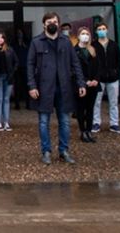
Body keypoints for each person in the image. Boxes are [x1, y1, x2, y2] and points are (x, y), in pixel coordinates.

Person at [27, 12, 86, 165]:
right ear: (44, 24)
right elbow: (29, 65)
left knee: (65, 122)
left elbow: (75, 64)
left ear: (59, 24)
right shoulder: (36, 42)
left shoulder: (66, 41)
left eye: (55, 21)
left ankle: (63, 150)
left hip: (64, 87)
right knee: (43, 122)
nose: (52, 23)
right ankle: (46, 151)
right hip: (44, 87)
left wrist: (81, 83)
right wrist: (32, 86)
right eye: (49, 21)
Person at [91, 21, 120, 134]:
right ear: (96, 31)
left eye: (103, 28)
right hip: (98, 79)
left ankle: (114, 123)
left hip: (113, 78)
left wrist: (116, 73)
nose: (102, 31)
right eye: (99, 29)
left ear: (107, 30)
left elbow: (119, 61)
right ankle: (96, 123)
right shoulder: (93, 45)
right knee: (96, 101)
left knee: (114, 102)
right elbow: (91, 61)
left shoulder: (114, 45)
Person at [74, 27, 100, 143]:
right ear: (78, 36)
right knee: (81, 109)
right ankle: (83, 131)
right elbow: (73, 69)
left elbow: (99, 67)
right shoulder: (74, 51)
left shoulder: (93, 50)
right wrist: (84, 81)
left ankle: (89, 130)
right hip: (81, 85)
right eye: (83, 34)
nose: (85, 36)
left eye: (87, 34)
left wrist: (96, 79)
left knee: (90, 109)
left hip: (93, 85)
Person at [12, 29, 30, 110]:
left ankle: (28, 104)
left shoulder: (27, 43)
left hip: (25, 66)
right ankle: (17, 104)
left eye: (21, 33)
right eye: (18, 33)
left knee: (27, 86)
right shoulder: (14, 44)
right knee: (17, 87)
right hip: (17, 67)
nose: (20, 35)